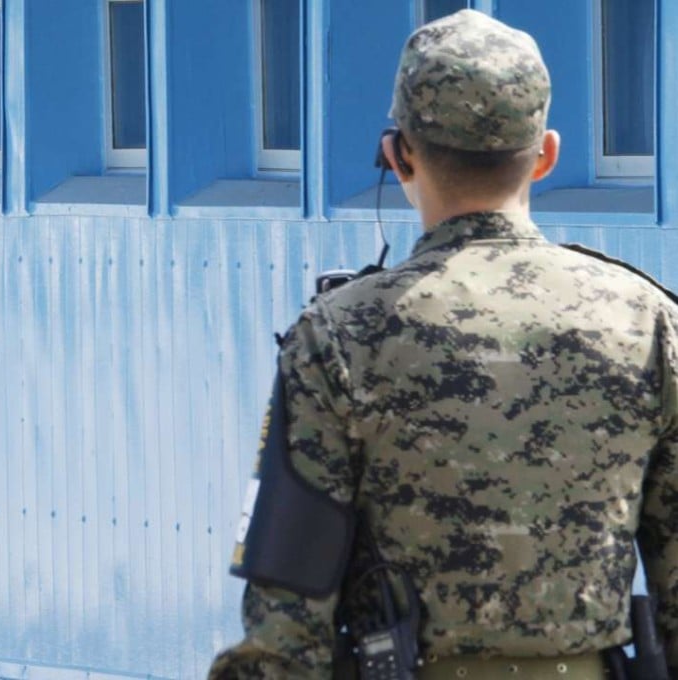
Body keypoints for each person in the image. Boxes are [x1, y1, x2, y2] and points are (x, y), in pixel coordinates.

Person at [210, 9, 678, 680]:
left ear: (399, 155)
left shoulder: (338, 334)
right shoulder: (649, 323)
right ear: (546, 154)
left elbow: (286, 629)